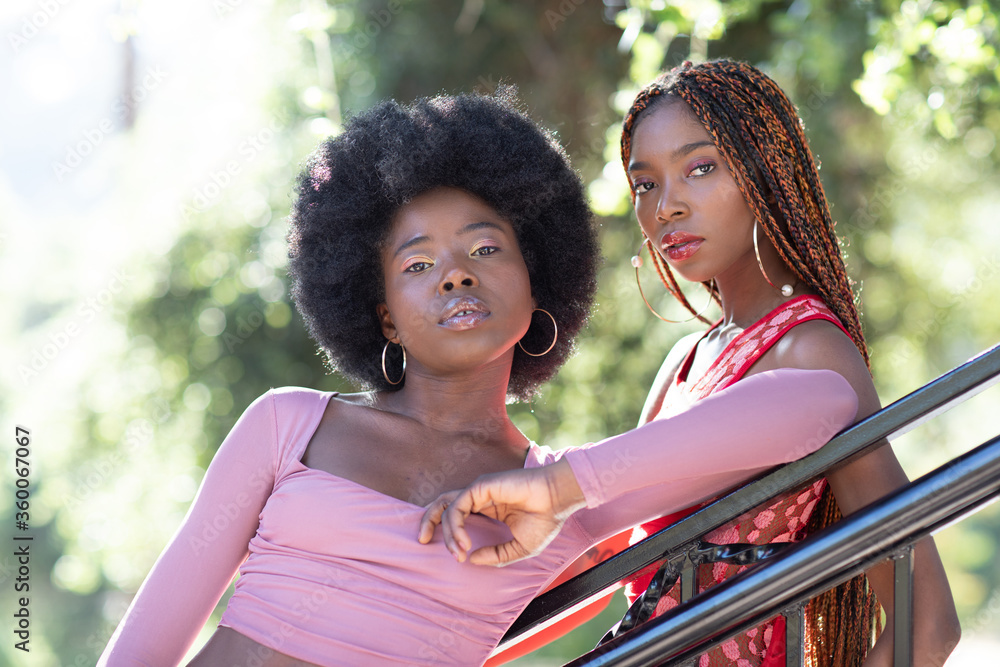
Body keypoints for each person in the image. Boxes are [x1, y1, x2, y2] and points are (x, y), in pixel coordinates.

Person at [97, 89, 859, 667]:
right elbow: (141, 648)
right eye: (418, 264)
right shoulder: (290, 424)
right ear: (384, 314)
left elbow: (821, 403)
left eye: (486, 250)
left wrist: (566, 487)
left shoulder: (561, 500)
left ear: (537, 287)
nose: (455, 276)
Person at [451, 60, 961, 667]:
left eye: (700, 168)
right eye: (645, 184)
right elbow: (603, 557)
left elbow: (927, 626)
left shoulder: (811, 349)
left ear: (765, 172)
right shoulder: (685, 360)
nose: (666, 207)